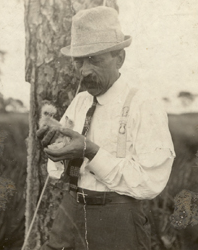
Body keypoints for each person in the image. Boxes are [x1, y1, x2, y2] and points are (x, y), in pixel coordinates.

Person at [37, 6, 175, 250]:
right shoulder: (80, 102)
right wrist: (55, 150)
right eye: (78, 62)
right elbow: (56, 171)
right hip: (70, 214)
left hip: (117, 221)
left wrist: (90, 151)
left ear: (119, 58)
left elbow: (150, 181)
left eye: (94, 60)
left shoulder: (144, 105)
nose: (84, 71)